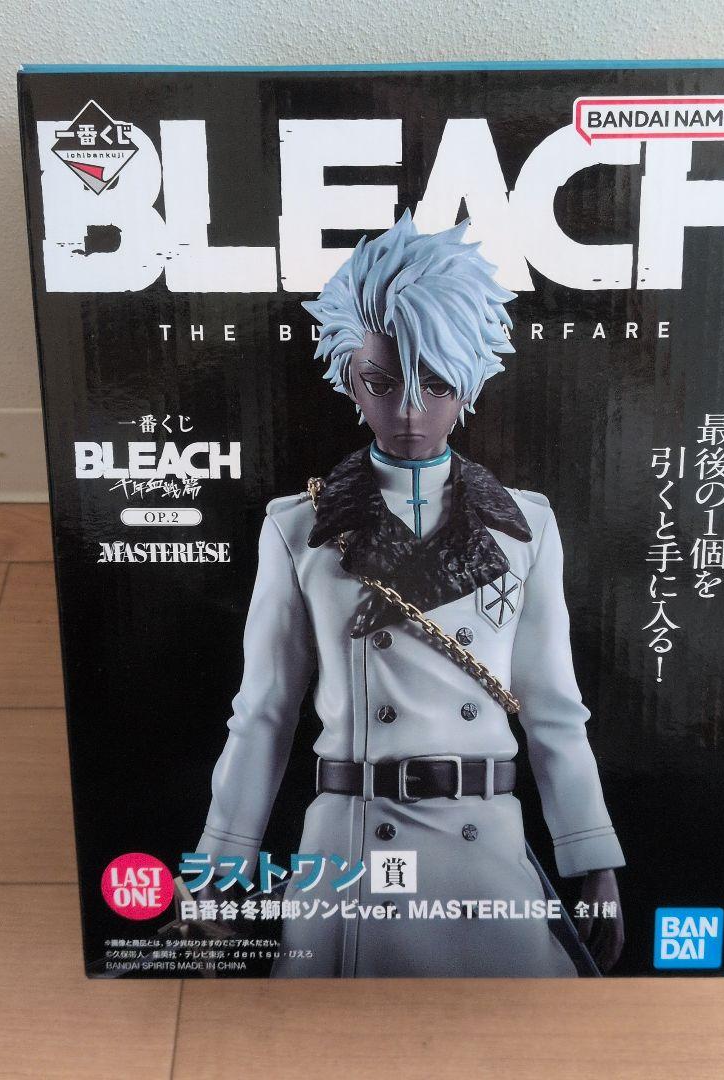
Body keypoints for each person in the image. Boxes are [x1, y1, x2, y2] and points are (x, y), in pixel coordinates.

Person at [193, 211, 624, 977]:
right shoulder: (296, 527)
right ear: (349, 379)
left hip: (484, 847)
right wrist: (220, 867)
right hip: (357, 846)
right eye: (382, 382)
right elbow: (264, 712)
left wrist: (593, 858)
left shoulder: (526, 525)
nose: (410, 412)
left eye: (437, 381)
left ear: (471, 378)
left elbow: (553, 705)